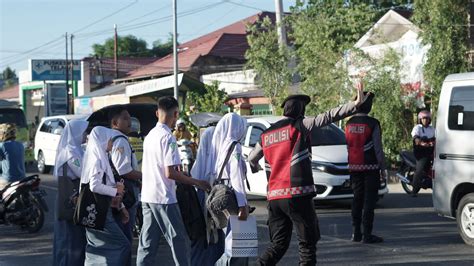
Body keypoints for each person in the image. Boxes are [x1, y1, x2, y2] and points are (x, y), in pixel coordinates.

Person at [248, 85, 368, 265]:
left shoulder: (266, 134)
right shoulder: (300, 125)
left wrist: (256, 166)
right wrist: (355, 104)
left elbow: (251, 158)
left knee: (278, 245)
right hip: (298, 195)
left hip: (274, 198)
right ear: (300, 110)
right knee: (307, 245)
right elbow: (328, 116)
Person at [136, 96, 211, 266]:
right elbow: (170, 173)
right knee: (179, 241)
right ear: (176, 114)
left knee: (147, 243)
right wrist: (196, 182)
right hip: (164, 197)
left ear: (157, 113)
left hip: (147, 196)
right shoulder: (168, 138)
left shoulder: (150, 136)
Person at [80, 126, 130, 265]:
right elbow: (94, 186)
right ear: (102, 140)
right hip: (99, 211)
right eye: (110, 140)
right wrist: (116, 191)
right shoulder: (97, 160)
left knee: (95, 249)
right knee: (122, 244)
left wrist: (121, 206)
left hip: (92, 210)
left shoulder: (98, 157)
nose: (112, 144)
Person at [345, 89, 386, 244]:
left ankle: (356, 233)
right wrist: (382, 168)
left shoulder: (348, 123)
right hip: (370, 168)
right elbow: (378, 149)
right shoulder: (373, 123)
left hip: (354, 168)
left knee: (357, 200)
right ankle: (367, 235)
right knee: (369, 202)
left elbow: (348, 145)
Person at [210, 113, 250, 266]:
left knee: (232, 242)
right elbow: (237, 176)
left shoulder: (221, 145)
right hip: (235, 196)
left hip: (223, 196)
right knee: (240, 247)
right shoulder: (235, 146)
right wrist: (243, 205)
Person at [108, 105, 142, 265]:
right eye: (125, 118)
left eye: (130, 118)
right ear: (115, 122)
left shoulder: (111, 138)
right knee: (125, 236)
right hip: (125, 195)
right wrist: (144, 176)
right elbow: (123, 170)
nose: (130, 122)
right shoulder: (120, 140)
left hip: (116, 193)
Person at [52, 120, 88, 266]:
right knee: (69, 240)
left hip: (71, 198)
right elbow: (83, 172)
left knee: (71, 239)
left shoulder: (76, 149)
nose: (86, 134)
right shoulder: (70, 152)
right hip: (70, 200)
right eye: (84, 131)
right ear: (77, 132)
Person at [189, 125, 225, 266]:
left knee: (201, 238)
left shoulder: (199, 163)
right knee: (216, 238)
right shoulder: (221, 160)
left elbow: (195, 177)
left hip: (200, 200)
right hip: (216, 200)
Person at [410, 110, 435, 197]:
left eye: (427, 118)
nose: (426, 120)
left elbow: (437, 137)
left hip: (430, 151)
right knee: (420, 170)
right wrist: (420, 142)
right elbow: (415, 137)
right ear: (420, 119)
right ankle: (414, 191)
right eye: (424, 118)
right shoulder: (417, 128)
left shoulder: (432, 129)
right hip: (421, 153)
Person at [0, 123, 25, 190]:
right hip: (22, 178)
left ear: (4, 134)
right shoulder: (20, 145)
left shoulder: (3, 146)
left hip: (8, 180)